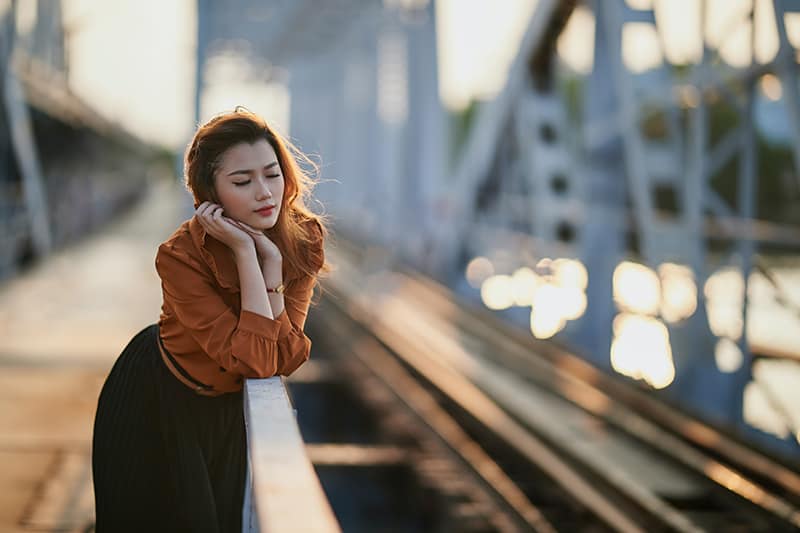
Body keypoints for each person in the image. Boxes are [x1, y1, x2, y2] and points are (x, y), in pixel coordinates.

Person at [91, 107, 328, 532]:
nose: (264, 193)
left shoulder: (302, 239)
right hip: (158, 401)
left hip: (227, 411)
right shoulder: (180, 256)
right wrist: (244, 253)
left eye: (272, 174)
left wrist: (270, 263)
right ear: (210, 194)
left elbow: (284, 356)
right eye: (242, 181)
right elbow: (256, 359)